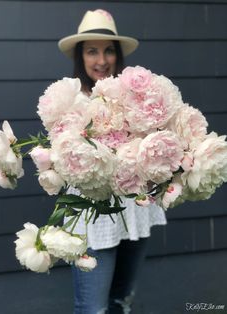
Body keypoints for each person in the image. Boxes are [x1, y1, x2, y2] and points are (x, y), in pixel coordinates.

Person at [58, 9, 167, 314]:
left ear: (118, 56)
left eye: (108, 51)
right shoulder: (67, 99)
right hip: (93, 216)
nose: (102, 60)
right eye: (92, 51)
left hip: (135, 209)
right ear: (80, 56)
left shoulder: (136, 95)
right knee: (93, 309)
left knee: (121, 300)